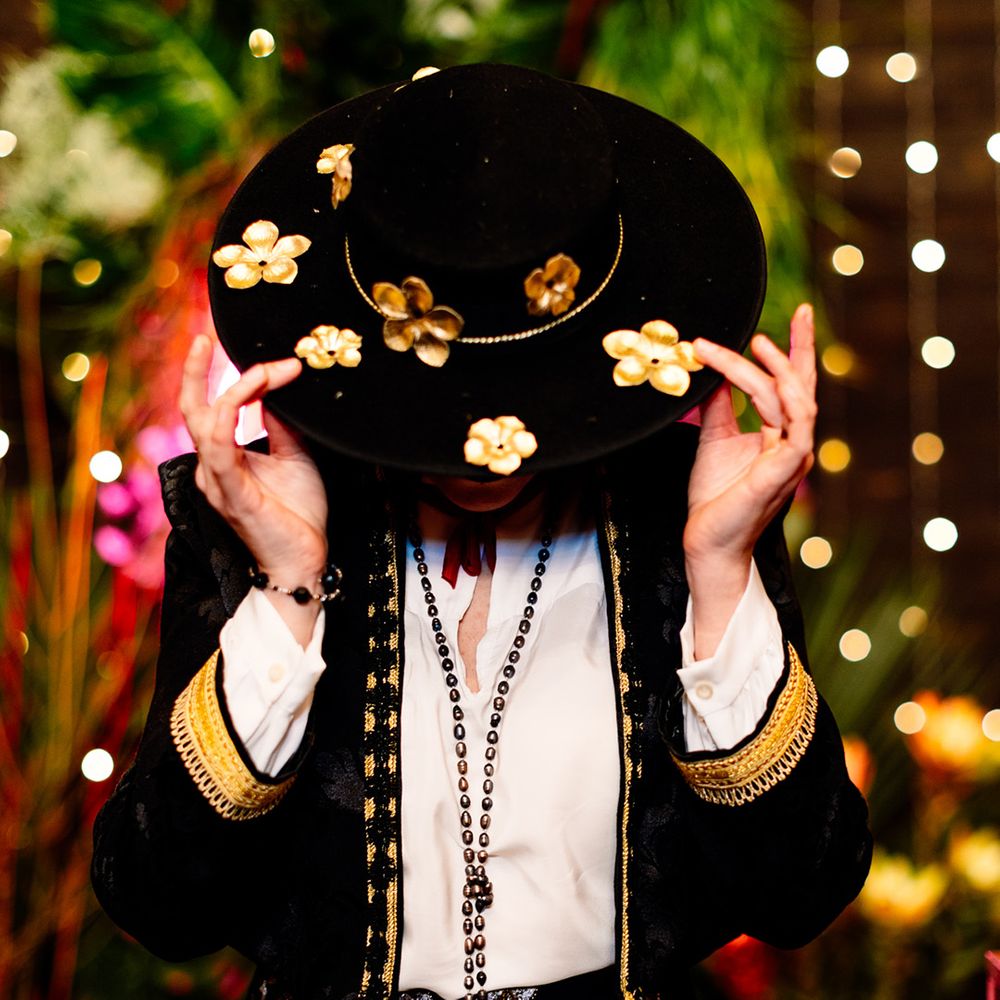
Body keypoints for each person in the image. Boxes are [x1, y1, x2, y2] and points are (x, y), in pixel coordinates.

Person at [91, 64, 872, 1000]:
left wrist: (720, 572)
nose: (479, 453)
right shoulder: (257, 516)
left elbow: (800, 897)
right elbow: (158, 906)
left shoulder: (688, 516)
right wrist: (289, 587)